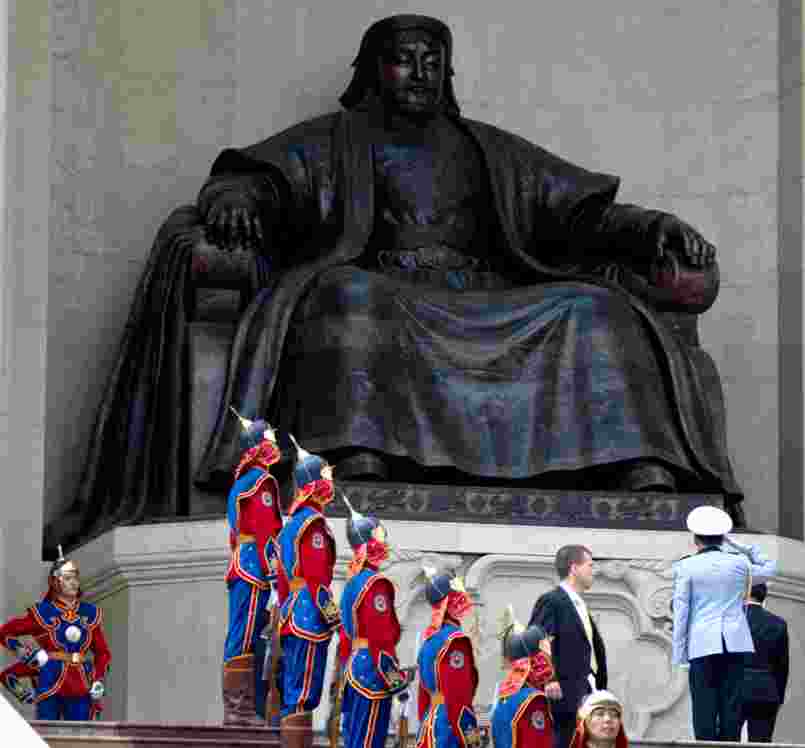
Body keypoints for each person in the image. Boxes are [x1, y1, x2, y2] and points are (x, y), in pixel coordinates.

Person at [52, 12, 746, 556]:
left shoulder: (488, 149)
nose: (419, 71)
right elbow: (265, 179)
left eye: (431, 60)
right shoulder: (338, 138)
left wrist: (650, 226)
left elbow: (583, 211)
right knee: (351, 300)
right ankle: (359, 456)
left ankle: (634, 463)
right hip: (384, 288)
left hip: (486, 294)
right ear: (374, 70)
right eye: (403, 59)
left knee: (592, 309)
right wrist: (234, 198)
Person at [671, 505, 775, 741]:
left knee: (703, 710)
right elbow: (770, 568)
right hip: (735, 644)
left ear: (695, 539)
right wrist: (742, 546)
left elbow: (681, 612)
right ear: (722, 538)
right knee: (732, 708)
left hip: (701, 645)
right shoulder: (739, 563)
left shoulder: (686, 566)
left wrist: (679, 654)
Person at [272, 437, 342, 747]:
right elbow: (316, 580)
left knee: (293, 693)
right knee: (303, 695)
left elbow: (284, 580)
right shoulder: (313, 525)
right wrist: (334, 619)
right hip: (309, 616)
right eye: (325, 479)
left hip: (292, 611)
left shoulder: (291, 524)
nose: (330, 485)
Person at [333, 498, 414, 748]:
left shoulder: (352, 583)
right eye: (380, 537)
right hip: (371, 670)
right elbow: (381, 636)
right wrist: (396, 679)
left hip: (354, 667)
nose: (385, 543)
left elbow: (346, 635)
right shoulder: (375, 585)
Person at [222, 410, 284, 725]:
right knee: (245, 635)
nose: (274, 440)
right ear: (259, 445)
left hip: (242, 562)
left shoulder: (241, 481)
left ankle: (244, 709)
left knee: (244, 634)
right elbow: (266, 532)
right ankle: (240, 710)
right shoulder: (262, 481)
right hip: (254, 568)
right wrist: (275, 578)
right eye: (269, 436)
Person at [0, 547, 111, 721]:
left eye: (75, 577)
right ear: (55, 582)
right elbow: (4, 633)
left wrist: (98, 679)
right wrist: (27, 654)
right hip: (50, 677)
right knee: (47, 734)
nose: (74, 582)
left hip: (81, 682)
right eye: (68, 578)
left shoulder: (89, 613)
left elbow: (102, 653)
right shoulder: (43, 612)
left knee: (80, 737)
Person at [528, 545, 607, 748]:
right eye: (590, 565)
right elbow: (537, 639)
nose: (593, 570)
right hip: (563, 692)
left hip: (585, 688)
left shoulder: (579, 603)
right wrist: (548, 678)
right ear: (574, 568)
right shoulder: (552, 601)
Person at [415, 567, 483, 748]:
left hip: (430, 724)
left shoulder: (428, 640)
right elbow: (458, 694)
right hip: (449, 728)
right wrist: (471, 736)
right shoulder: (455, 641)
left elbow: (423, 696)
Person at [490, 607, 556, 748]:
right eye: (546, 651)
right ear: (535, 660)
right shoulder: (534, 700)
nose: (551, 657)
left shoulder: (504, 698)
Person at [739, 583, 789, 742]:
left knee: (726, 741)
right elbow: (782, 666)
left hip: (734, 689)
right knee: (761, 742)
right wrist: (778, 696)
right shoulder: (778, 624)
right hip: (766, 691)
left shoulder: (732, 619)